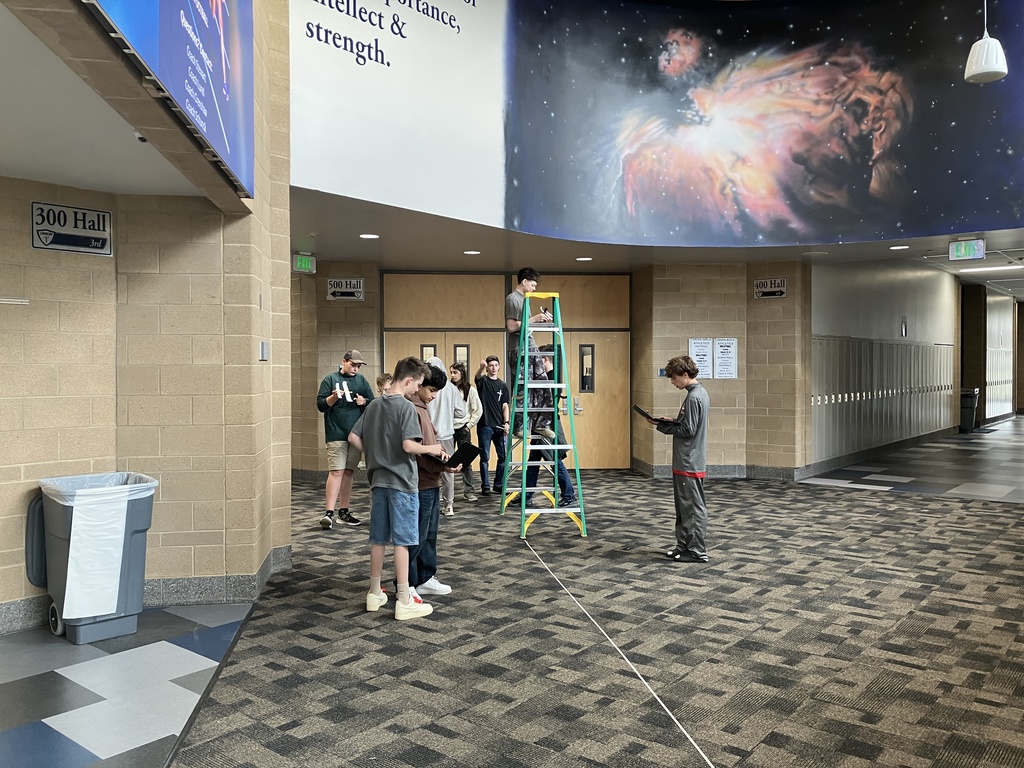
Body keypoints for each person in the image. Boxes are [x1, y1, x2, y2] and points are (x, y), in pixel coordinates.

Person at [347, 357, 445, 621]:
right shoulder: (406, 407)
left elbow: (353, 436)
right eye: (418, 384)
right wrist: (433, 448)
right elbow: (408, 446)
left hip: (378, 481)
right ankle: (404, 599)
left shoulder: (374, 405)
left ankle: (374, 593)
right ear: (409, 380)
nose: (418, 390)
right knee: (403, 541)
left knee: (378, 539)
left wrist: (374, 454)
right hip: (402, 483)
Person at [643, 355, 710, 563]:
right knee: (683, 508)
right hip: (685, 460)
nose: (673, 382)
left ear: (685, 374)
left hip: (690, 461)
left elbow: (689, 430)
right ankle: (683, 545)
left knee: (692, 508)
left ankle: (697, 551)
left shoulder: (694, 397)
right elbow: (688, 423)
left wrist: (663, 426)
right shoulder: (696, 393)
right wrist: (672, 420)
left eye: (674, 378)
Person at [406, 363, 457, 597]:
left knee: (429, 534)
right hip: (420, 483)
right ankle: (408, 582)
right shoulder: (411, 409)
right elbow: (415, 451)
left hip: (431, 480)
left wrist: (443, 459)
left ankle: (424, 577)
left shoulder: (423, 409)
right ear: (418, 385)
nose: (434, 396)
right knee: (417, 535)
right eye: (431, 390)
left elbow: (428, 444)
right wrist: (442, 464)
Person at [315, 350, 374, 529]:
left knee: (349, 472)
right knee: (336, 471)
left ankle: (344, 511)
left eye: (358, 366)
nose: (356, 369)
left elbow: (373, 402)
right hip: (336, 433)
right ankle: (329, 513)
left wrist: (364, 402)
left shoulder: (361, 381)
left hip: (355, 434)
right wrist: (333, 397)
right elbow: (321, 405)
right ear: (344, 362)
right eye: (353, 365)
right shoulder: (330, 379)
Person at [524, 344, 577, 508]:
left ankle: (569, 495)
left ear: (545, 359)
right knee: (533, 461)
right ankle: (527, 495)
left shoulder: (551, 378)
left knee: (555, 461)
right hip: (541, 425)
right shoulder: (549, 377)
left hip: (547, 426)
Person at [504, 267, 554, 438]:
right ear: (524, 281)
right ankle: (519, 426)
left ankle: (541, 423)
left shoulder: (524, 300)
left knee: (542, 385)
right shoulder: (513, 299)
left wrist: (538, 320)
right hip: (519, 349)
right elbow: (511, 326)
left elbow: (525, 324)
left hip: (530, 346)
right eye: (532, 285)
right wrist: (534, 319)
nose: (534, 289)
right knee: (521, 388)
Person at [425, 356, 465, 518]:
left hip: (428, 435)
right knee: (449, 470)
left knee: (428, 468)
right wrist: (448, 416)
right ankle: (449, 505)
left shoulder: (425, 386)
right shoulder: (451, 388)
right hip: (447, 434)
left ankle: (430, 504)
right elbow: (462, 412)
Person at [474, 355, 510, 496]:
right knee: (485, 457)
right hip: (485, 425)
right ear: (487, 368)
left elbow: (505, 405)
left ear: (499, 367)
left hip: (499, 426)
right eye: (491, 365)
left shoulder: (503, 385)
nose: (494, 368)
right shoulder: (483, 381)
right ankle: (485, 486)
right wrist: (480, 368)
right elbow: (477, 377)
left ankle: (498, 484)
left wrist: (506, 423)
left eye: (496, 365)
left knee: (503, 456)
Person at [450, 361, 482, 502]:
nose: (452, 375)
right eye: (451, 372)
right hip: (448, 429)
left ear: (462, 373)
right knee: (446, 460)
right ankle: (445, 492)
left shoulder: (470, 390)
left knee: (466, 462)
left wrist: (469, 425)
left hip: (463, 428)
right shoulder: (447, 389)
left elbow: (478, 410)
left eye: (455, 372)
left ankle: (469, 491)